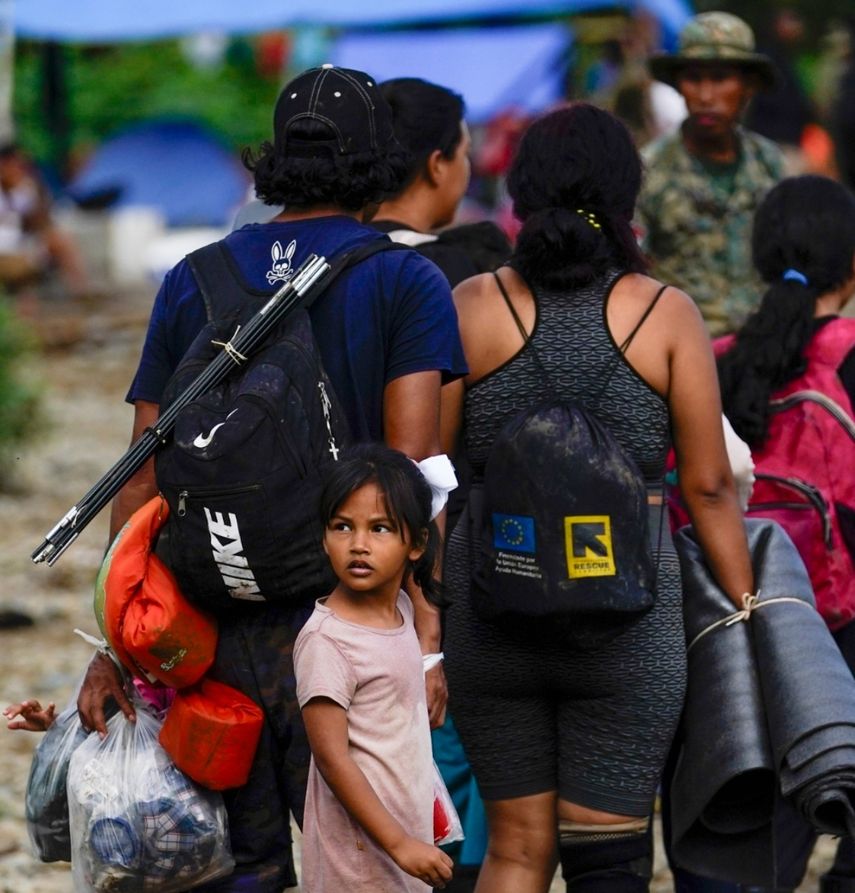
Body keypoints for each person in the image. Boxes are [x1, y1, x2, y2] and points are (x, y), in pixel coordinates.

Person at [76, 64, 467, 892]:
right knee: (363, 861)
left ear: (275, 160)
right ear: (377, 162)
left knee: (233, 866)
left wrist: (120, 646)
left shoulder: (194, 277)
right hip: (348, 622)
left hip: (209, 618)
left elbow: (141, 475)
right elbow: (412, 472)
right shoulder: (405, 281)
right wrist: (426, 637)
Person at [440, 101, 754, 893]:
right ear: (624, 194)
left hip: (491, 607)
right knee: (606, 856)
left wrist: (424, 606)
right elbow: (708, 483)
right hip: (628, 620)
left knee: (514, 850)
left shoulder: (471, 305)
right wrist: (744, 601)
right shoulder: (665, 312)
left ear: (520, 192)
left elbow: (436, 471)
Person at [372, 75, 509, 891]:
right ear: (437, 162)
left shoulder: (321, 265)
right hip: (439, 569)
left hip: (329, 562)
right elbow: (441, 455)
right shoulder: (459, 277)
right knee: (451, 777)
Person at [713, 175, 855, 893]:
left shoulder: (716, 357)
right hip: (836, 617)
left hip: (727, 607)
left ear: (762, 259)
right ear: (850, 266)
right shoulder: (847, 355)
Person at [294, 443, 454, 892]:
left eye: (379, 528)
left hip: (402, 842)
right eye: (342, 527)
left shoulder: (401, 609)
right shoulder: (327, 641)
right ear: (324, 537)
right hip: (358, 863)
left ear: (417, 543)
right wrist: (400, 844)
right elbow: (332, 759)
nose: (359, 545)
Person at [637, 12, 785, 336]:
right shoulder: (648, 171)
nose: (705, 96)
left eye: (720, 78)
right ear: (679, 85)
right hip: (685, 346)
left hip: (763, 344)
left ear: (748, 85)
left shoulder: (769, 162)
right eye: (693, 78)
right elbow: (630, 278)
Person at [0, 142, 90, 301]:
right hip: (6, 251)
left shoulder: (26, 189)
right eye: (17, 165)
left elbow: (41, 223)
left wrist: (36, 194)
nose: (20, 170)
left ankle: (82, 293)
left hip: (22, 245)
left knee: (59, 239)